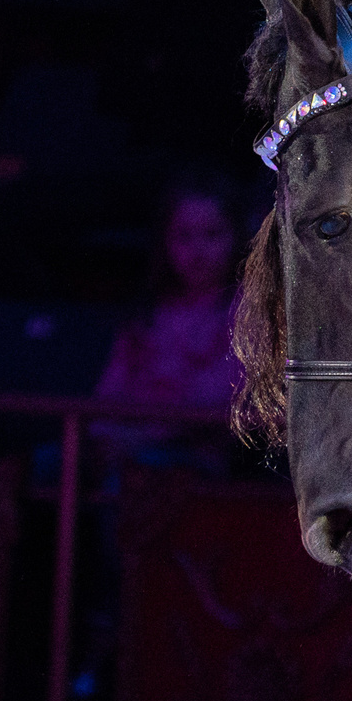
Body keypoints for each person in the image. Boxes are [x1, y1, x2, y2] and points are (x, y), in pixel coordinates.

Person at [92, 174, 247, 477]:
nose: (197, 250)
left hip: (198, 457)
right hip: (123, 446)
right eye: (184, 236)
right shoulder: (146, 313)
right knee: (50, 464)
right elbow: (110, 392)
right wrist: (104, 437)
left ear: (236, 236)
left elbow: (213, 404)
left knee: (135, 474)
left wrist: (135, 440)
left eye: (212, 234)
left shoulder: (247, 314)